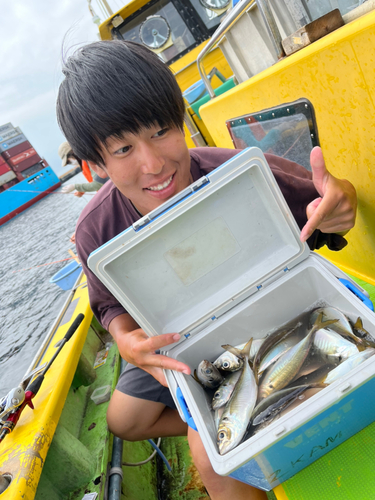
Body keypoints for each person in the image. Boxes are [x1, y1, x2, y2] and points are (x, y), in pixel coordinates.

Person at [56, 40, 357, 500]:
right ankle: (227, 412)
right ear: (94, 164)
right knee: (122, 420)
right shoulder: (95, 231)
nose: (153, 163)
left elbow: (325, 211)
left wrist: (342, 206)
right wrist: (124, 337)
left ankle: (235, 428)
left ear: (181, 120)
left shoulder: (242, 171)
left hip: (272, 306)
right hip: (178, 336)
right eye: (122, 149)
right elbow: (108, 303)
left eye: (161, 131)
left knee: (210, 463)